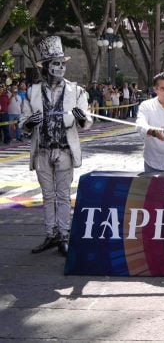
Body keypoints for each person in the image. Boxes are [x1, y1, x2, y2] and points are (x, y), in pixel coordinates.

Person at [19, 35, 92, 256]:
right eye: (56, 64)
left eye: (62, 64)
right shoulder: (32, 92)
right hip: (41, 151)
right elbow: (23, 121)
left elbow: (86, 121)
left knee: (62, 195)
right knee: (47, 195)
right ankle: (50, 234)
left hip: (64, 151)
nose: (60, 68)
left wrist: (81, 118)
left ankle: (63, 235)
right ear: (47, 67)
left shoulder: (76, 91)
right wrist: (29, 123)